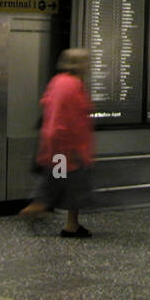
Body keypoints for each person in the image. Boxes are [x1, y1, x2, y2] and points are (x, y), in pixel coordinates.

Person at [21, 48, 96, 237]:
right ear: (78, 65)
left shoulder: (59, 82)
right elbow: (69, 120)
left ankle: (71, 225)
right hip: (65, 151)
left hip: (60, 147)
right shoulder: (72, 86)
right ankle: (35, 209)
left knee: (67, 186)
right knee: (57, 185)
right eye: (85, 62)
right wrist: (75, 151)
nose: (88, 65)